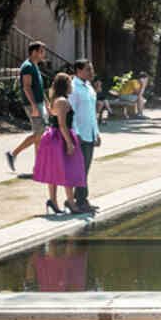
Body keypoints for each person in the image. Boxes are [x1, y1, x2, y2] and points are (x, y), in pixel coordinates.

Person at [32, 72, 86, 215]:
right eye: (70, 83)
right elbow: (62, 124)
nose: (72, 86)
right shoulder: (62, 101)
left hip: (56, 137)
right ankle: (71, 204)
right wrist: (69, 143)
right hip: (59, 137)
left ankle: (53, 201)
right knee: (67, 170)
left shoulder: (57, 99)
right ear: (66, 85)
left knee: (55, 170)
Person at [6, 42, 47, 172]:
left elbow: (39, 88)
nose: (43, 54)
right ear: (34, 52)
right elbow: (26, 87)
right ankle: (13, 154)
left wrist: (48, 103)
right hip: (32, 104)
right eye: (41, 51)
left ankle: (38, 166)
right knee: (40, 133)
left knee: (39, 134)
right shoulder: (27, 66)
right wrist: (34, 106)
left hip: (39, 103)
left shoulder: (34, 65)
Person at [69, 60, 101, 214]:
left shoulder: (89, 88)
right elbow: (71, 112)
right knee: (81, 168)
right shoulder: (73, 88)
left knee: (85, 167)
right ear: (78, 70)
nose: (91, 72)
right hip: (80, 134)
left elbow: (92, 113)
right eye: (88, 69)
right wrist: (76, 133)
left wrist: (97, 132)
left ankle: (80, 198)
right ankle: (80, 200)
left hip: (90, 133)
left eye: (92, 69)